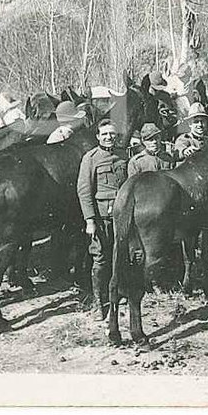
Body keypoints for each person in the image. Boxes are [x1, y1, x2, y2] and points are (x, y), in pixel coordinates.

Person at [77, 119, 128, 320]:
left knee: (121, 255)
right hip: (101, 217)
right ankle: (100, 301)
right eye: (104, 134)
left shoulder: (123, 155)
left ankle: (118, 293)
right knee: (100, 258)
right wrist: (90, 219)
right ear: (98, 136)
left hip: (122, 215)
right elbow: (84, 191)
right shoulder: (90, 158)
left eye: (112, 134)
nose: (109, 137)